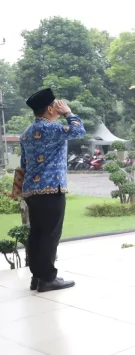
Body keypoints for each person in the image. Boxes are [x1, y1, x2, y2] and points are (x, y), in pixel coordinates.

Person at [18, 89, 85, 292]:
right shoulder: (52, 129)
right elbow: (78, 131)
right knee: (50, 235)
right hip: (50, 189)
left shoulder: (26, 133)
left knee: (37, 234)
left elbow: (23, 164)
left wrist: (19, 190)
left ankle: (37, 277)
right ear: (49, 109)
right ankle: (47, 278)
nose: (60, 106)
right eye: (57, 104)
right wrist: (68, 113)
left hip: (31, 190)